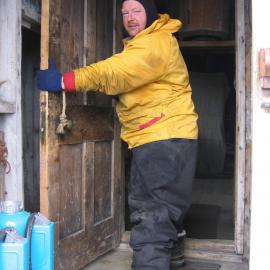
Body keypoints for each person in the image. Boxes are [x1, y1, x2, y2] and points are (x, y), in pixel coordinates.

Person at [36, 0, 198, 269]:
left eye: (136, 11)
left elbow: (116, 72)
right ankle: (173, 257)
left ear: (150, 12)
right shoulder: (150, 40)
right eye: (124, 13)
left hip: (161, 137)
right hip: (169, 134)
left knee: (151, 216)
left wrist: (65, 81)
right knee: (165, 210)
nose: (130, 18)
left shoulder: (155, 42)